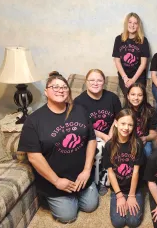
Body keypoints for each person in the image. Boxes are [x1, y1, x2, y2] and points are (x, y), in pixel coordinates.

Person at [18, 71, 99, 223]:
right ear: (46, 91)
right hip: (55, 180)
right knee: (68, 216)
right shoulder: (34, 120)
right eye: (55, 87)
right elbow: (34, 157)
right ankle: (52, 197)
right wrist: (56, 181)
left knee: (91, 206)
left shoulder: (80, 110)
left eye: (64, 87)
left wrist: (87, 170)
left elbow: (91, 140)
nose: (60, 90)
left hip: (81, 175)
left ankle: (79, 193)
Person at [74, 69, 122, 195]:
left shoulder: (112, 98)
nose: (95, 83)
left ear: (104, 82)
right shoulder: (79, 102)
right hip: (89, 135)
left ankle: (108, 179)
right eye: (92, 80)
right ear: (86, 82)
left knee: (115, 146)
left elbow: (118, 118)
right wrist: (102, 136)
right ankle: (96, 181)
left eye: (99, 80)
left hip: (111, 133)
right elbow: (81, 126)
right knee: (99, 147)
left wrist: (111, 135)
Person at [103, 109, 145, 228]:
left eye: (130, 125)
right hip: (118, 187)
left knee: (133, 222)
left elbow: (136, 172)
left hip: (134, 188)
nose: (126, 128)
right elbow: (110, 172)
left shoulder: (137, 144)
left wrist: (131, 195)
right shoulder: (109, 145)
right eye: (123, 123)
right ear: (116, 123)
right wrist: (119, 195)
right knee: (118, 223)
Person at [112, 12, 150, 96]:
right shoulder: (118, 39)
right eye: (130, 22)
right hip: (124, 76)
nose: (132, 25)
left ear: (138, 26)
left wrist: (133, 80)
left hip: (139, 77)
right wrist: (125, 78)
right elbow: (117, 61)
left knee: (137, 96)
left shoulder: (143, 41)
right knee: (129, 96)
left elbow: (143, 64)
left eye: (135, 23)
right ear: (126, 24)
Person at [124, 83, 157, 157]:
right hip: (127, 140)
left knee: (147, 151)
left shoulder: (150, 111)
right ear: (128, 96)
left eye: (140, 95)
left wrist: (145, 138)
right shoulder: (124, 111)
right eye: (133, 94)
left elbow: (153, 134)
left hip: (144, 140)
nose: (136, 98)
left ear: (144, 97)